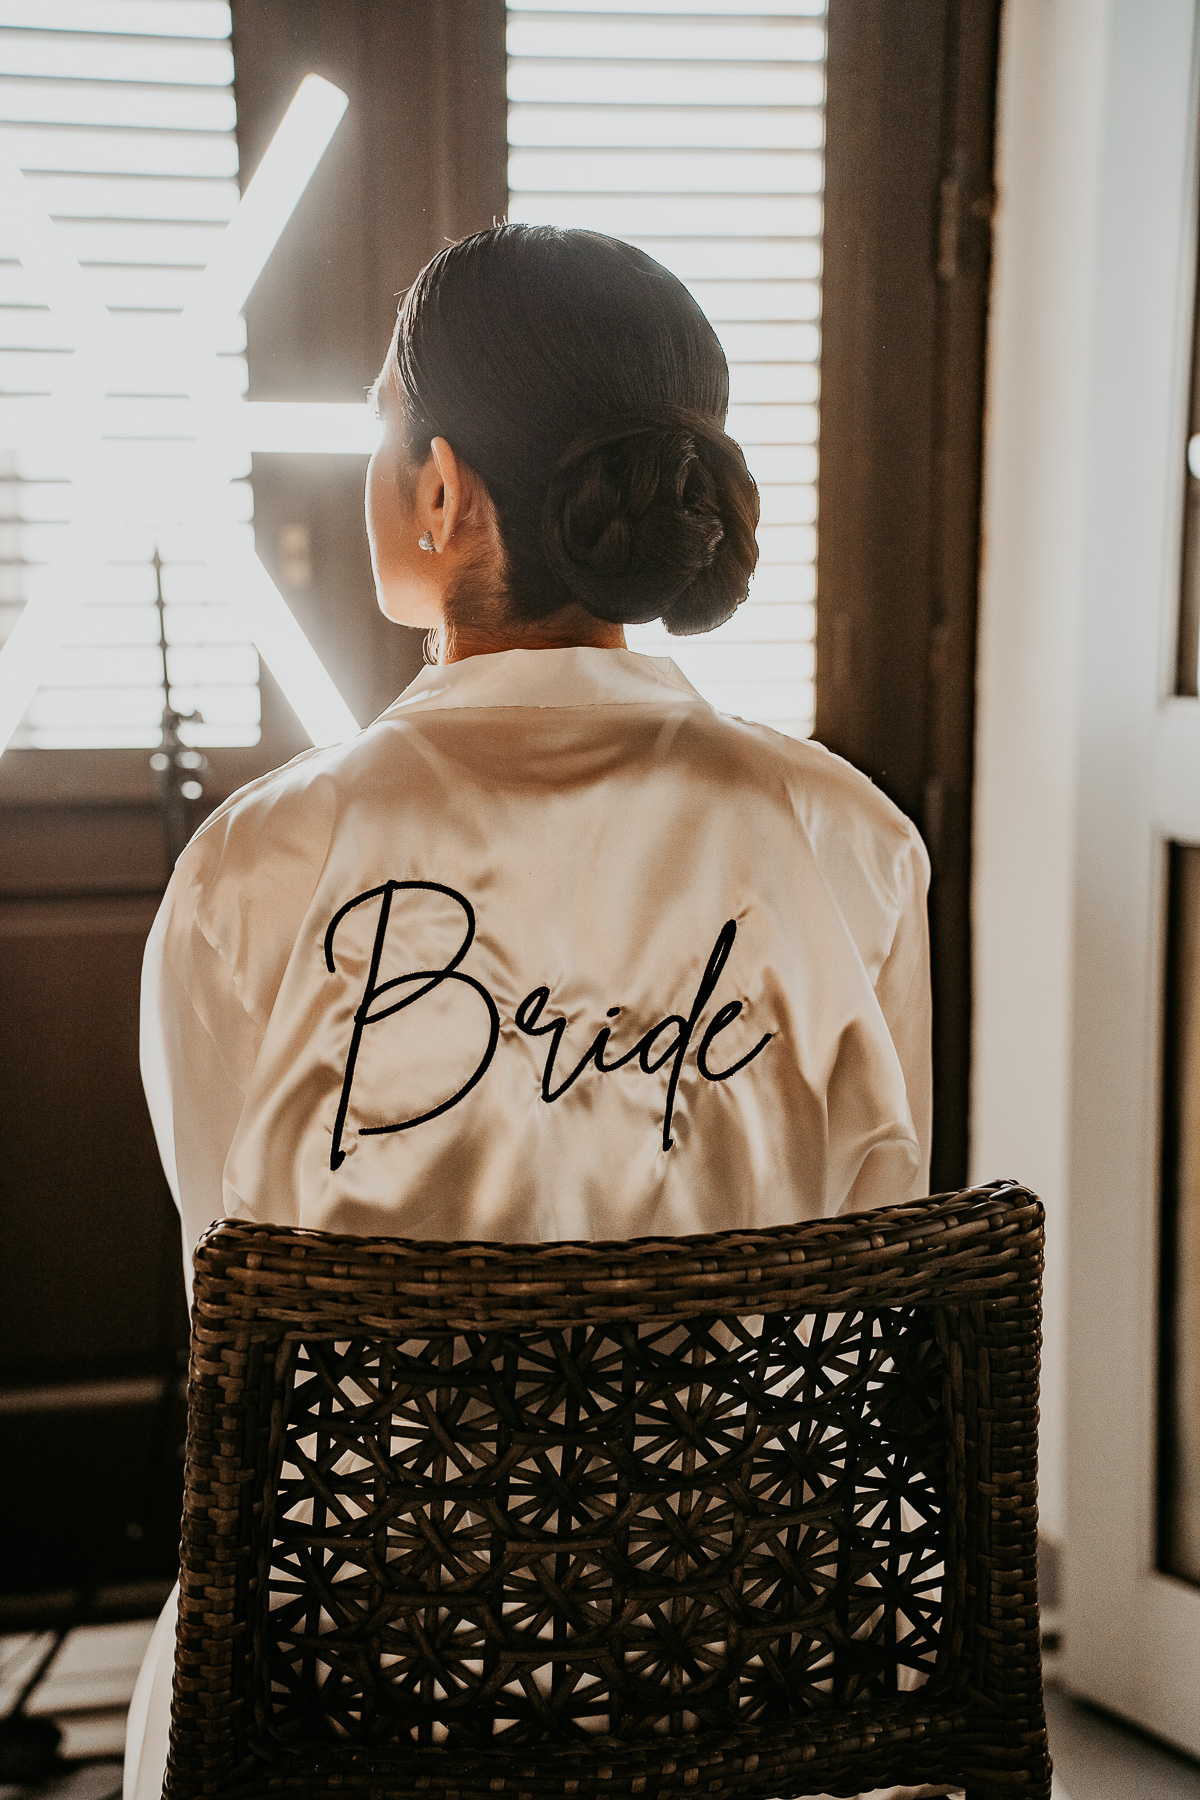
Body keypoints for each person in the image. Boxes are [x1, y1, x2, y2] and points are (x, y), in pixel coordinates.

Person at [124, 225, 935, 1800]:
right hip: (734, 1650)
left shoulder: (256, 870)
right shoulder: (853, 848)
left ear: (443, 492)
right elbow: (870, 1282)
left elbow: (238, 1318)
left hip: (366, 1660)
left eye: (378, 427)